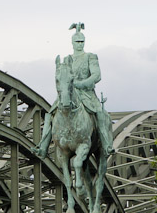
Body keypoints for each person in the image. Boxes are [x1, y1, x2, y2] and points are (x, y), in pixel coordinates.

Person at [34, 23, 115, 158]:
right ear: (72, 43)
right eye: (77, 42)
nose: (80, 44)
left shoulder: (90, 56)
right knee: (50, 114)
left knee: (100, 113)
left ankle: (106, 144)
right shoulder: (67, 60)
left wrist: (81, 84)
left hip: (86, 94)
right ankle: (43, 146)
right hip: (69, 93)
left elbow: (97, 75)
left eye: (82, 41)